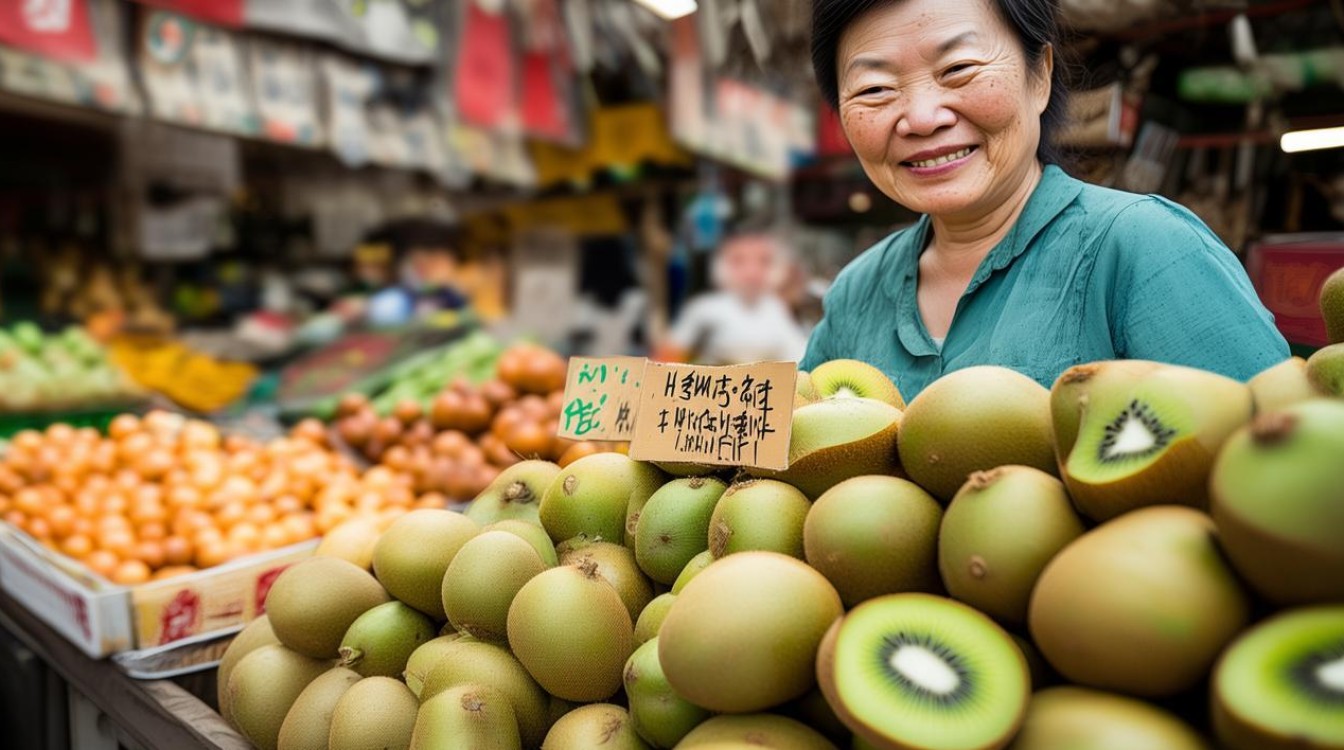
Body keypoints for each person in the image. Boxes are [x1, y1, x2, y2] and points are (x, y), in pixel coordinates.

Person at [801, 0, 1289, 398]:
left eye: (959, 68)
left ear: (1040, 77)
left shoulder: (1147, 248)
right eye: (875, 89)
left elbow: (1273, 467)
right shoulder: (855, 294)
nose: (923, 117)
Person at [659, 228, 810, 365]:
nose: (752, 272)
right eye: (739, 261)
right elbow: (670, 353)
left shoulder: (776, 307)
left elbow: (799, 354)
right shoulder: (705, 308)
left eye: (764, 261)